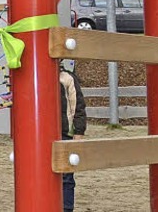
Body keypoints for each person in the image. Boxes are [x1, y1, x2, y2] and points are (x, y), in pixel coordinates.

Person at [59, 65, 87, 212]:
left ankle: (66, 208)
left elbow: (78, 106)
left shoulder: (66, 78)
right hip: (43, 135)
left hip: (64, 133)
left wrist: (79, 130)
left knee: (66, 177)